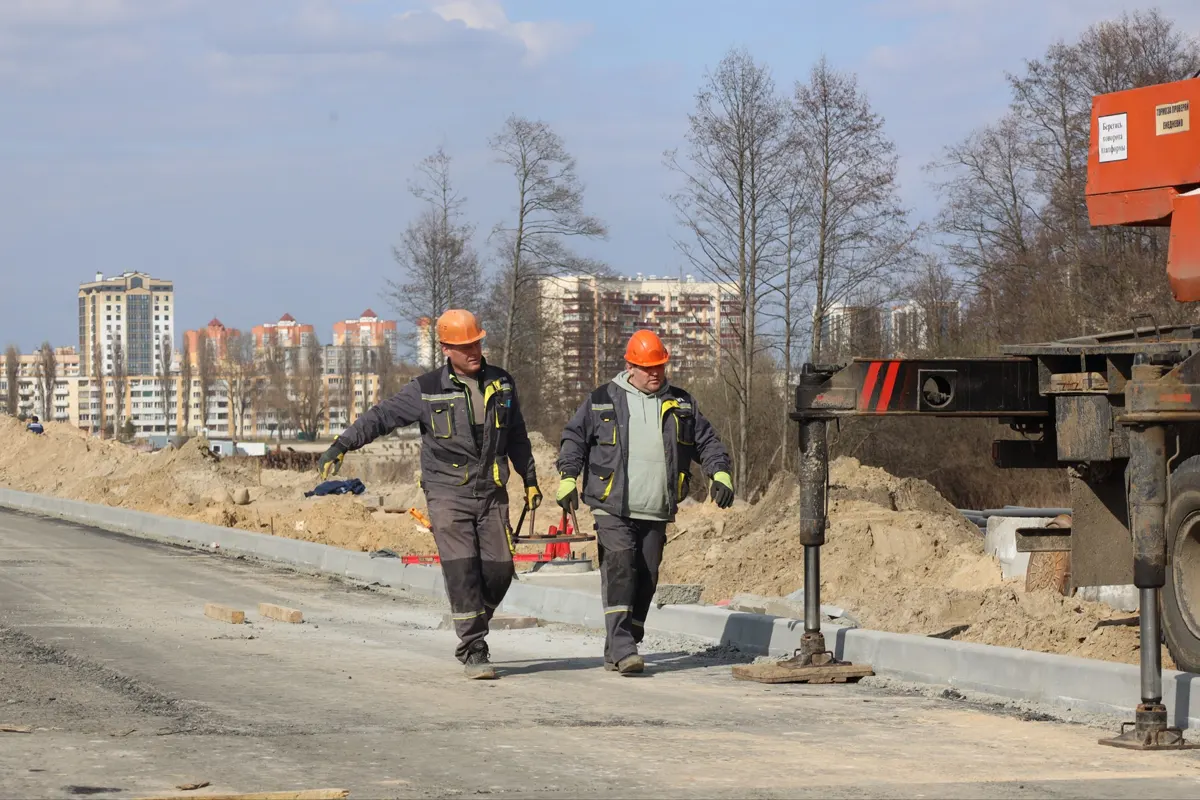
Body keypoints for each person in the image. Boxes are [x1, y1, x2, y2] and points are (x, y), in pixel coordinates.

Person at [316, 309, 542, 679]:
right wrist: (342, 445)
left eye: (477, 342)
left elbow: (516, 434)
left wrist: (529, 479)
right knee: (463, 567)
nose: (473, 350)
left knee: (500, 570)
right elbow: (380, 417)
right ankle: (474, 648)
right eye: (464, 345)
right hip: (446, 491)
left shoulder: (502, 384)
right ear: (446, 348)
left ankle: (473, 624)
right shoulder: (426, 389)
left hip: (491, 490)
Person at [555, 329, 734, 675]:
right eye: (647, 367)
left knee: (647, 577)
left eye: (660, 367)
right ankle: (624, 648)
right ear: (631, 366)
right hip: (611, 505)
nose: (655, 373)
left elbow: (708, 442)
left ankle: (623, 640)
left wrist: (720, 473)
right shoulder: (602, 399)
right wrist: (567, 477)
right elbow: (573, 439)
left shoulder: (682, 403)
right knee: (620, 567)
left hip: (657, 507)